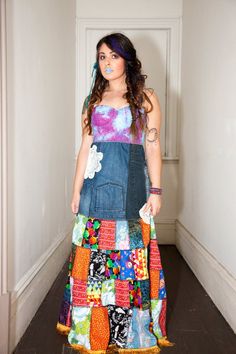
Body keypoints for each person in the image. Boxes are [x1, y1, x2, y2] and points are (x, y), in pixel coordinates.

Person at [56, 32, 175, 353]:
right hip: (95, 190)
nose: (107, 63)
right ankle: (89, 331)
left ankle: (130, 333)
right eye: (102, 56)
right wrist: (75, 189)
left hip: (132, 192)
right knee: (90, 263)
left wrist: (156, 189)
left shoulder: (146, 97)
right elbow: (84, 147)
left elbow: (153, 145)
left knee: (129, 265)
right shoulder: (91, 100)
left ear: (128, 60)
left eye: (114, 56)